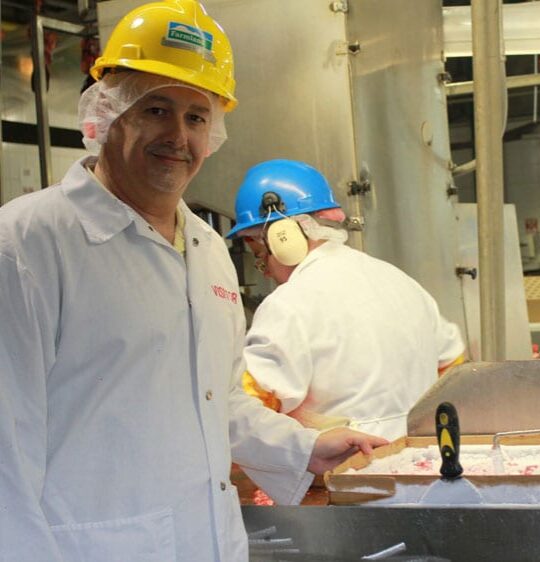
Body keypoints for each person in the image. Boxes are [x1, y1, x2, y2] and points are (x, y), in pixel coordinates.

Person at [0, 2, 386, 561]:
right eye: (156, 109)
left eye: (197, 117)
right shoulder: (28, 244)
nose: (178, 135)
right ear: (109, 114)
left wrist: (302, 447)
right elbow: (5, 453)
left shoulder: (205, 249)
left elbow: (214, 397)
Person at [228, 159, 466, 441]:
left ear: (283, 237)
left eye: (259, 251)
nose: (265, 269)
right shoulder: (402, 282)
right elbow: (454, 363)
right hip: (420, 460)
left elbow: (251, 405)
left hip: (344, 469)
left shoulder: (290, 303)